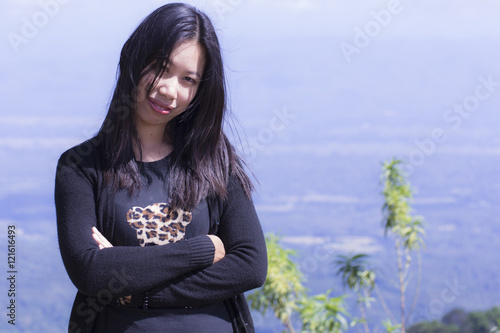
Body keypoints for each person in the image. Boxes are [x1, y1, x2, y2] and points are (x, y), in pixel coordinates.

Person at [54, 3, 267, 332]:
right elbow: (91, 271)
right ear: (133, 59)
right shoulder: (81, 168)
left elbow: (250, 265)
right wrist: (203, 249)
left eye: (188, 80)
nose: (170, 90)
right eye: (160, 67)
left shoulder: (214, 159)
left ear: (199, 91)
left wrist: (135, 289)